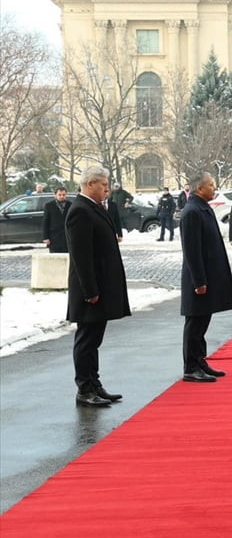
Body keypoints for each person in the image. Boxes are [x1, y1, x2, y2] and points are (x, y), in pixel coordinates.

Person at [65, 165, 130, 407]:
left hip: (101, 287)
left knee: (94, 340)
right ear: (90, 184)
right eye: (103, 186)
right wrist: (90, 291)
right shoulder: (80, 210)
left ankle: (94, 383)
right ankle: (84, 388)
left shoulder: (94, 207)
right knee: (86, 340)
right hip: (89, 290)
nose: (107, 190)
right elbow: (81, 257)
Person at [178, 172, 232, 382]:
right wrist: (199, 281)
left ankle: (200, 361)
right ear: (200, 188)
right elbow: (192, 251)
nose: (215, 188)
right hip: (198, 279)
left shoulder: (203, 207)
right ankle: (191, 367)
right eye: (211, 185)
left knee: (202, 322)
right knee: (195, 324)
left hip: (208, 275)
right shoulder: (192, 211)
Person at [41, 186, 70, 252]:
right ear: (55, 195)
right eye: (59, 195)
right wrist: (46, 237)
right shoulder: (49, 205)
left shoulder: (70, 205)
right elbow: (46, 222)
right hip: (54, 237)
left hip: (67, 237)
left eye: (63, 195)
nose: (62, 196)